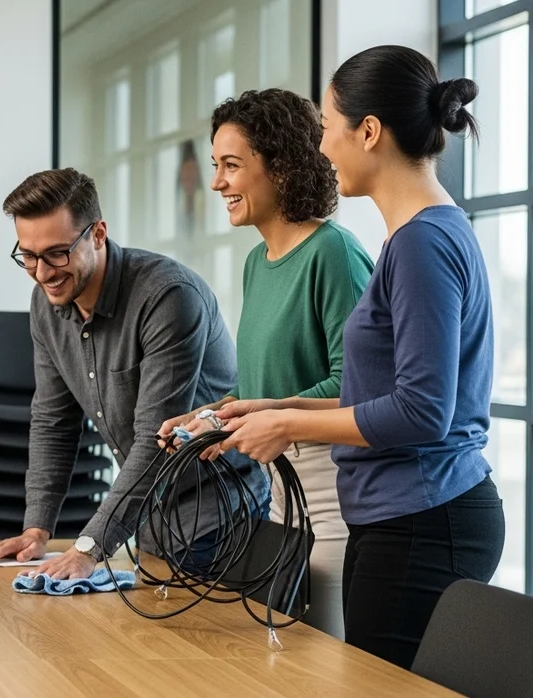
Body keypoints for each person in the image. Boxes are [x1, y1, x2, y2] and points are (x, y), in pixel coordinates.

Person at [217, 45, 504, 669]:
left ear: (368, 131)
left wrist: (289, 424)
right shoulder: (419, 236)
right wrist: (266, 408)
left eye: (326, 128)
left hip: (423, 519)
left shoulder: (424, 242)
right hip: (406, 516)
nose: (320, 147)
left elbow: (423, 412)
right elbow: (380, 395)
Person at [0, 168, 267, 578]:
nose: (42, 273)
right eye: (29, 256)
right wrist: (36, 528)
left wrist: (89, 547)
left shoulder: (167, 297)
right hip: (149, 523)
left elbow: (155, 439)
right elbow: (54, 422)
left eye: (57, 253)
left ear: (98, 234)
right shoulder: (46, 305)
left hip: (218, 519)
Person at [157, 88, 374, 639]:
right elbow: (264, 387)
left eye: (232, 166)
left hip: (332, 499)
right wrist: (210, 415)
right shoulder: (258, 261)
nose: (217, 183)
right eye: (215, 166)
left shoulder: (332, 253)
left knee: (320, 660)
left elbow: (357, 386)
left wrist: (257, 414)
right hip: (278, 497)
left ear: (281, 166)